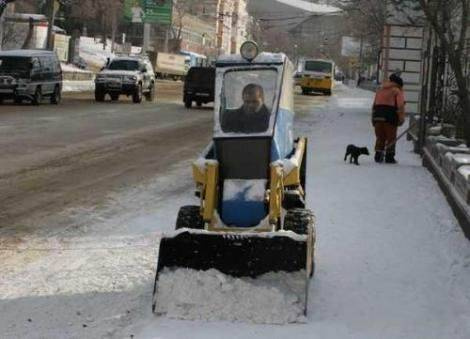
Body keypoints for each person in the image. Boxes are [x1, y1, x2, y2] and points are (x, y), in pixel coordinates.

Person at [372, 74, 406, 164]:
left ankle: (378, 155)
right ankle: (389, 157)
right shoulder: (397, 91)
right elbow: (400, 106)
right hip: (390, 117)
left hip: (378, 116)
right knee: (391, 137)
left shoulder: (380, 89)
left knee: (380, 136)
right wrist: (401, 118)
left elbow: (374, 105)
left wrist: (373, 118)